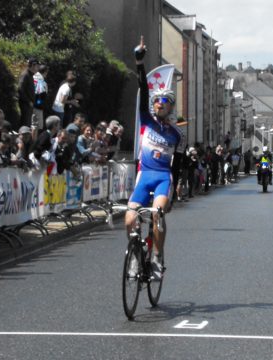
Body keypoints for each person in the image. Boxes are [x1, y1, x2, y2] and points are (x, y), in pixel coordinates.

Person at [125, 36, 183, 280]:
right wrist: (139, 62)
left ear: (170, 107)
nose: (159, 104)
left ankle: (157, 256)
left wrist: (176, 187)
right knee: (129, 219)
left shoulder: (175, 134)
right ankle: (137, 257)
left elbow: (177, 164)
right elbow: (143, 88)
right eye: (157, 101)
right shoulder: (147, 120)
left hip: (162, 178)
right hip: (144, 176)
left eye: (165, 102)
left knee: (157, 215)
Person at [18, 58, 39, 129]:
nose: (38, 68)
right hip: (25, 104)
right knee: (25, 124)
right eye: (37, 66)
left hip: (29, 104)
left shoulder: (31, 75)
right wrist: (28, 101)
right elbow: (20, 89)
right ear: (33, 65)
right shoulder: (25, 75)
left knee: (28, 124)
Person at [32, 64, 49, 139]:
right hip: (37, 107)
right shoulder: (40, 80)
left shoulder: (33, 77)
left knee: (33, 125)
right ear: (45, 72)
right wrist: (39, 104)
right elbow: (39, 95)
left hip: (31, 105)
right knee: (36, 126)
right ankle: (33, 143)